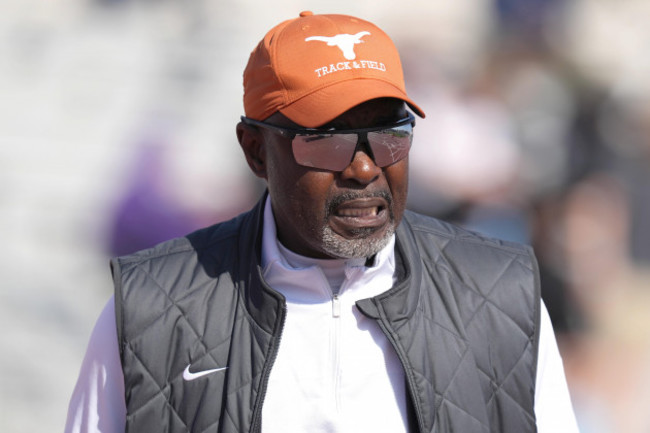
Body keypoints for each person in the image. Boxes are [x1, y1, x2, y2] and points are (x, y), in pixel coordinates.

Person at [65, 11, 579, 433]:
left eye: (389, 133)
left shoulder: (500, 295)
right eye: (328, 139)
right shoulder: (149, 308)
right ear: (255, 152)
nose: (364, 166)